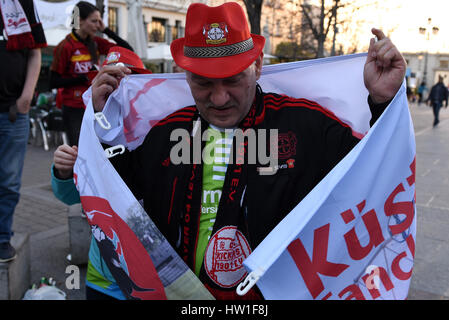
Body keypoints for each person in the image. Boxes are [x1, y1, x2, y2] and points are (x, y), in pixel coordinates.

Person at [90, 2, 406, 299]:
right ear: (184, 72)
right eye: (203, 83)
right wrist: (103, 128)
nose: (219, 98)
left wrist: (383, 104)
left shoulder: (305, 126)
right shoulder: (166, 134)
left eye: (232, 80)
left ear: (256, 64)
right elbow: (120, 193)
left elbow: (374, 173)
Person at [52, 47, 150, 300]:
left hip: (153, 271)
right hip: (104, 277)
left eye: (126, 80)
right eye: (107, 81)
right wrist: (63, 171)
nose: (115, 89)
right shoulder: (90, 132)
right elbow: (72, 196)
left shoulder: (159, 131)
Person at [0, 0, 47, 262]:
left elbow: (35, 52)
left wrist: (26, 97)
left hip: (12, 111)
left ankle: (2, 237)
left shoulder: (22, 2)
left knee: (8, 179)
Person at [50, 1, 133, 147]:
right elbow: (53, 81)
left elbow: (128, 50)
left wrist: (106, 30)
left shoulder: (95, 43)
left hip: (95, 104)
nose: (97, 25)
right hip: (74, 107)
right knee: (79, 149)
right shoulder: (65, 46)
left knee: (97, 148)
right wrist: (83, 78)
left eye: (99, 21)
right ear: (80, 21)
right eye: (94, 21)